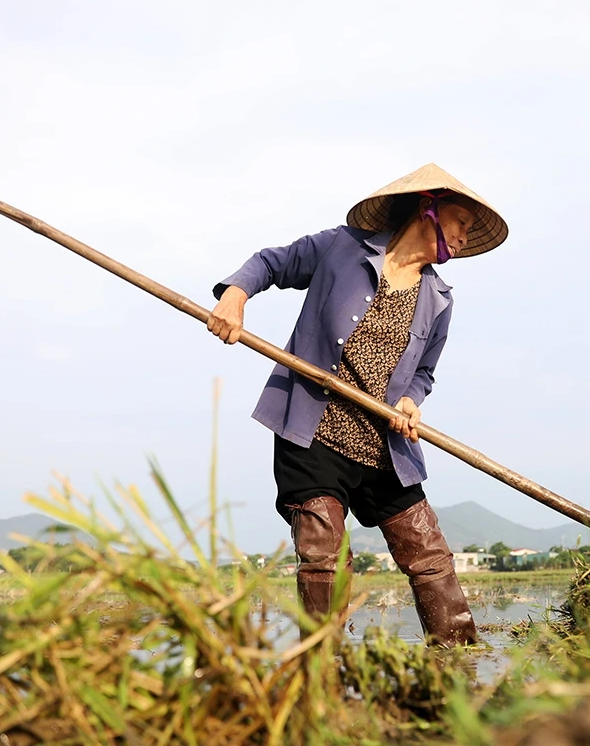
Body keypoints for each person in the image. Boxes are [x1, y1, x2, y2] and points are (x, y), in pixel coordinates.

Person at [206, 163, 508, 648]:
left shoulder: (439, 298)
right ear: (427, 206)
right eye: (459, 220)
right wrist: (235, 297)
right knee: (324, 556)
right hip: (314, 433)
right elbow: (270, 262)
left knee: (429, 556)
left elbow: (424, 371)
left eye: (469, 229)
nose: (462, 233)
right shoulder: (342, 248)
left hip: (385, 447)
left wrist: (411, 399)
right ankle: (322, 671)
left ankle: (460, 664)